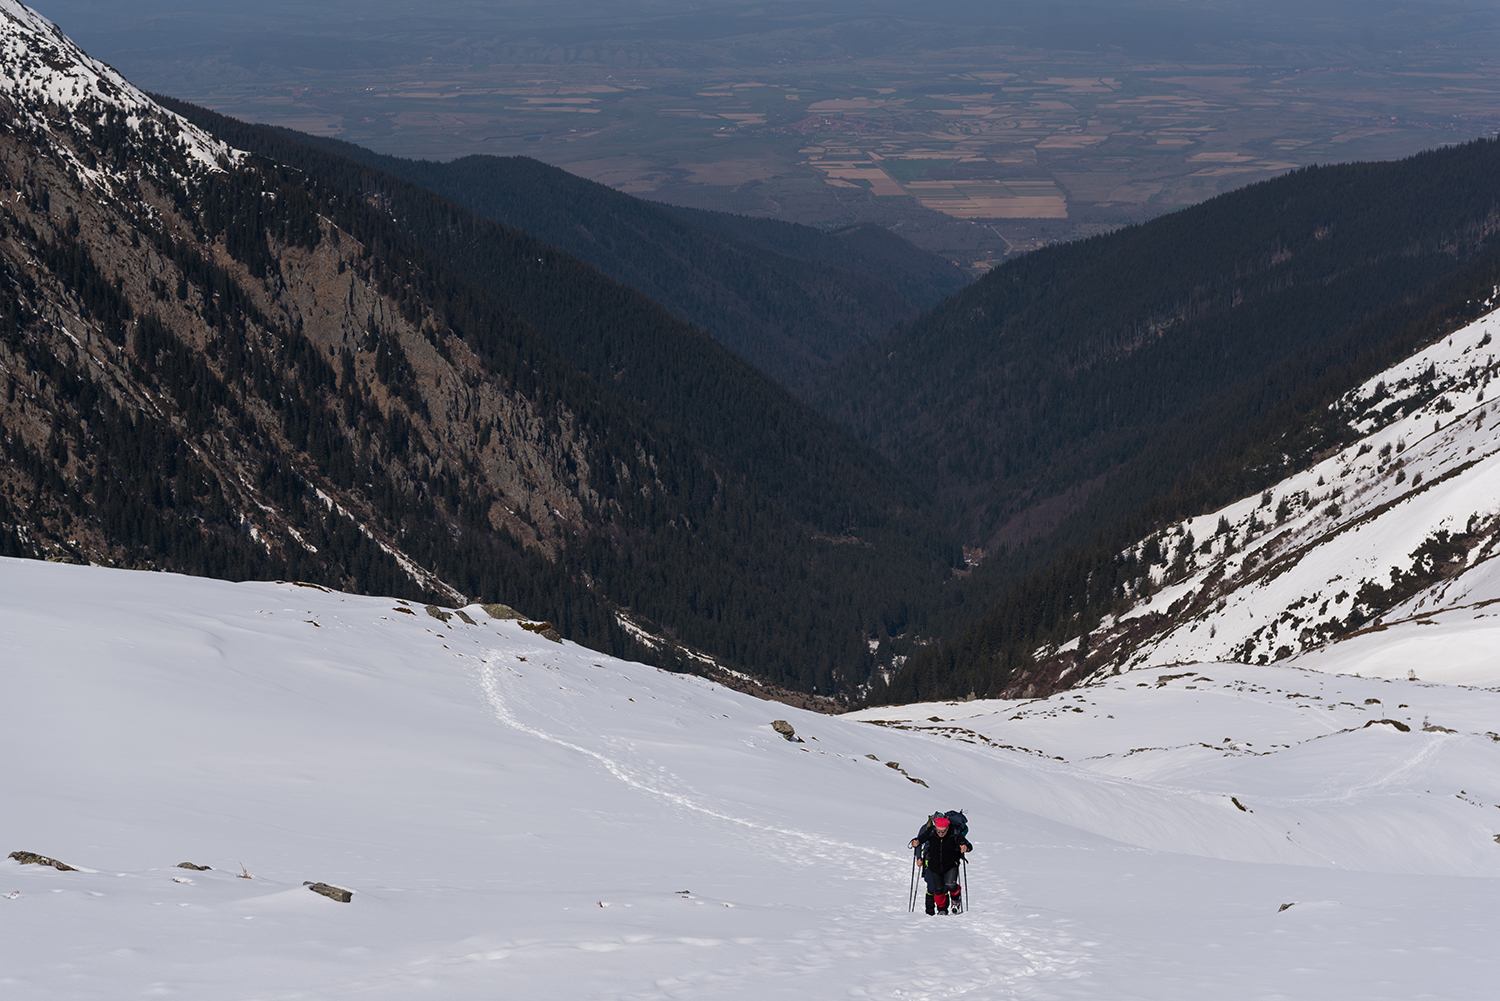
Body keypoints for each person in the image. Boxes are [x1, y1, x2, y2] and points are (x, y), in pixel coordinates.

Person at [910, 814, 971, 914]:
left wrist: (966, 847)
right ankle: (942, 910)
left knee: (950, 885)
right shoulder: (931, 831)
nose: (940, 833)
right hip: (934, 865)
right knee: (937, 889)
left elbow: (968, 845)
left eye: (943, 831)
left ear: (947, 827)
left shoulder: (954, 833)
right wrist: (915, 844)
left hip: (951, 864)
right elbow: (919, 840)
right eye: (938, 830)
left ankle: (955, 898)